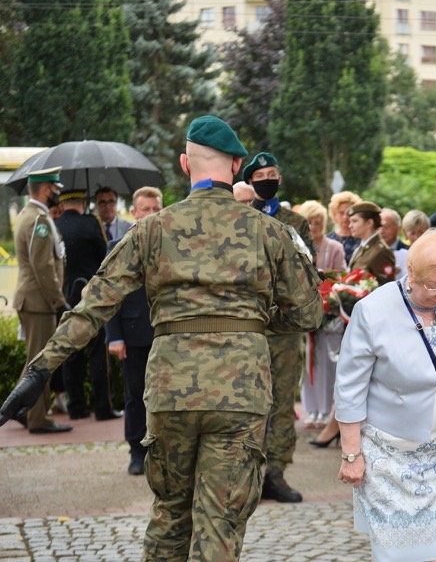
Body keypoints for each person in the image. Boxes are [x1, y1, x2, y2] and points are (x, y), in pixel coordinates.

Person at [0, 115, 324, 560]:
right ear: (236, 165)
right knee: (220, 524)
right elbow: (308, 312)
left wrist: (39, 371)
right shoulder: (270, 232)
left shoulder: (150, 229)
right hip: (240, 395)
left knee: (171, 514)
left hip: (171, 391)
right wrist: (249, 322)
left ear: (184, 165)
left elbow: (93, 305)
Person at [334, 228, 436, 561]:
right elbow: (349, 387)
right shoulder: (373, 311)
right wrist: (351, 455)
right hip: (386, 449)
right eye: (434, 286)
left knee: (432, 543)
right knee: (394, 550)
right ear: (411, 273)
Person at [241, 151, 317, 503]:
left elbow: (308, 271)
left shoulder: (295, 222)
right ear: (250, 181)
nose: (268, 179)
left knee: (283, 401)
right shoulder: (240, 219)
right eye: (261, 175)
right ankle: (247, 474)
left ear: (280, 179)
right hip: (248, 326)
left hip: (284, 328)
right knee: (247, 401)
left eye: (273, 173)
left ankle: (276, 472)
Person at [105, 186, 163, 475]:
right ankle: (137, 452)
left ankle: (163, 451)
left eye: (156, 209)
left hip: (167, 334)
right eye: (146, 209)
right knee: (136, 394)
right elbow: (109, 294)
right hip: (133, 332)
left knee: (167, 396)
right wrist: (114, 335)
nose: (151, 214)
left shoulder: (172, 244)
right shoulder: (118, 244)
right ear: (134, 213)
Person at [10, 167, 72, 434]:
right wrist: (59, 301)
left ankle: (17, 409)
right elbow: (43, 267)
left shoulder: (31, 215)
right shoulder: (40, 221)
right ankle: (38, 419)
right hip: (39, 303)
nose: (58, 195)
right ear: (46, 189)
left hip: (33, 301)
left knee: (33, 363)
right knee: (42, 364)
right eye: (56, 190)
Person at [54, 189, 117, 422]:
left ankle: (76, 408)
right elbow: (106, 258)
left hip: (65, 297)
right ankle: (102, 408)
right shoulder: (92, 223)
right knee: (98, 353)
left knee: (71, 354)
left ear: (62, 204)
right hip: (92, 297)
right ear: (82, 202)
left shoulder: (54, 225)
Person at [297, 199, 347, 430]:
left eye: (318, 223)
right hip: (304, 314)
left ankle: (327, 412)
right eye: (310, 223)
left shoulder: (334, 247)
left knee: (329, 364)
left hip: (330, 315)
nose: (314, 227)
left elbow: (342, 279)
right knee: (309, 363)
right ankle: (312, 410)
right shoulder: (297, 247)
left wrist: (326, 282)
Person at [348, 201, 396, 285]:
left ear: (369, 223)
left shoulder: (381, 251)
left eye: (354, 221)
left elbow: (386, 286)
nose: (350, 225)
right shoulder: (362, 247)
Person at [327, 191, 363, 265]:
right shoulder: (328, 240)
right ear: (334, 214)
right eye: (341, 213)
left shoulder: (362, 238)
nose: (345, 217)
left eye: (349, 213)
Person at [379, 207, 408, 273]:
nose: (381, 231)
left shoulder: (408, 252)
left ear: (398, 229)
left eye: (385, 227)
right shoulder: (371, 251)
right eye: (378, 227)